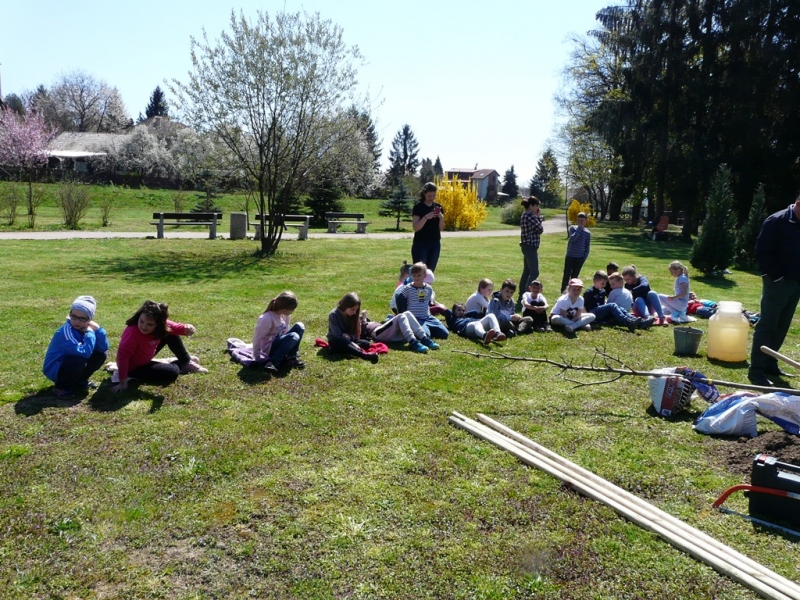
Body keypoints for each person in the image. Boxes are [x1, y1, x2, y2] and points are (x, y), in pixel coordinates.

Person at [749, 196, 800, 387]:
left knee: (782, 325)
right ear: (798, 204)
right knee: (768, 324)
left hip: (796, 282)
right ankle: (756, 370)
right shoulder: (776, 221)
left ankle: (770, 363)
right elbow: (762, 251)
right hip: (777, 282)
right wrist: (776, 277)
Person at [111, 300, 207, 393]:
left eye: (150, 324)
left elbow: (175, 327)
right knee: (171, 373)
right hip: (133, 368)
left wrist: (187, 328)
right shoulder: (132, 333)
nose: (144, 326)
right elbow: (122, 357)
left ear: (158, 325)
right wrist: (123, 382)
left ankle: (186, 362)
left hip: (145, 355)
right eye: (141, 321)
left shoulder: (161, 327)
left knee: (170, 332)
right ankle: (181, 365)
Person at [43, 295, 109, 400]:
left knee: (101, 354)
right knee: (78, 360)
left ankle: (80, 380)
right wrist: (90, 333)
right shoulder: (65, 331)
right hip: (55, 368)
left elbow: (103, 347)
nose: (77, 321)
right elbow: (84, 352)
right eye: (74, 316)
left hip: (71, 364)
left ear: (90, 319)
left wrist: (99, 330)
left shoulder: (87, 328)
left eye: (82, 318)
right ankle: (60, 388)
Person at [252, 291, 306, 374]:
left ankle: (291, 358)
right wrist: (257, 357)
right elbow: (257, 338)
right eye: (292, 310)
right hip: (269, 348)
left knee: (300, 326)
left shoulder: (285, 315)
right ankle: (273, 362)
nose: (294, 311)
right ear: (284, 310)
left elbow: (286, 332)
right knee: (294, 336)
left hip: (279, 342)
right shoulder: (266, 318)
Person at [394, 262, 449, 339]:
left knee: (444, 333)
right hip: (415, 319)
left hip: (427, 317)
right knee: (426, 335)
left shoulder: (429, 288)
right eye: (414, 275)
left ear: (425, 276)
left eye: (419, 275)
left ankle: (427, 327)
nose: (416, 278)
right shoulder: (408, 288)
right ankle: (419, 329)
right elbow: (400, 300)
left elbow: (428, 303)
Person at [583, 271, 647, 331]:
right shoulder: (589, 292)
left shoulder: (602, 291)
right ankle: (627, 322)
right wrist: (587, 318)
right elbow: (583, 306)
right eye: (602, 283)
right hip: (591, 313)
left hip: (600, 312)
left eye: (605, 283)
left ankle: (640, 322)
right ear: (595, 281)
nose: (604, 285)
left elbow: (602, 305)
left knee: (620, 308)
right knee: (612, 305)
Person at [327, 293, 380, 363]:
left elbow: (355, 333)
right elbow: (337, 335)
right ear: (345, 306)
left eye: (356, 310)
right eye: (352, 309)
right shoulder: (333, 315)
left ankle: (339, 350)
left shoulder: (353, 315)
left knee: (366, 344)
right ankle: (363, 355)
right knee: (341, 342)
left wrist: (350, 338)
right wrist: (352, 344)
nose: (355, 312)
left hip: (349, 339)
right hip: (337, 340)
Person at [365, 311, 438, 353]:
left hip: (387, 331)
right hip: (377, 332)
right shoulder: (359, 323)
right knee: (400, 316)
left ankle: (424, 338)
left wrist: (364, 316)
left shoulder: (367, 320)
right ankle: (413, 342)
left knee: (407, 313)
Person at [411, 182, 445, 272]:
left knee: (429, 273)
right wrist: (426, 217)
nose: (432, 198)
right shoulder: (418, 208)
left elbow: (440, 228)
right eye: (429, 196)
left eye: (434, 196)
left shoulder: (438, 207)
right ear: (424, 194)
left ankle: (427, 286)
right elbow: (415, 227)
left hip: (435, 243)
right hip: (421, 244)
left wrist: (441, 218)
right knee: (420, 271)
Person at [518, 196, 544, 302]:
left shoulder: (524, 214)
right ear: (531, 206)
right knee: (534, 272)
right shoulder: (531, 215)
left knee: (527, 271)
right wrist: (538, 217)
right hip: (530, 247)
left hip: (526, 246)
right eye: (536, 206)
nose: (538, 208)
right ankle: (526, 294)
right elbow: (540, 229)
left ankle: (521, 294)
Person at [560, 212, 591, 292]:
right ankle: (563, 292)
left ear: (586, 221)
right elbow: (572, 239)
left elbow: (587, 247)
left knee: (574, 277)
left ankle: (572, 292)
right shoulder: (572, 228)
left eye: (582, 220)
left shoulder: (587, 233)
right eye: (579, 220)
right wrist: (579, 229)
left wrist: (584, 258)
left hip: (579, 258)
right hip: (570, 256)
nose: (580, 222)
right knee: (566, 275)